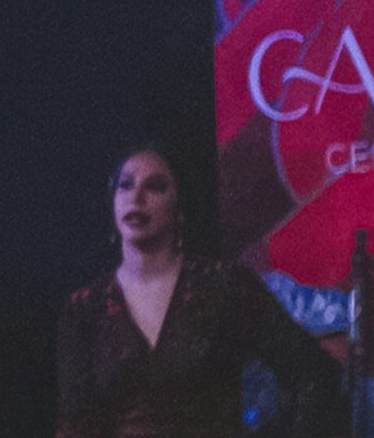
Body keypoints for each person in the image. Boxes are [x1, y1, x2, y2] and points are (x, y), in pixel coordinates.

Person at [56, 147, 346, 438]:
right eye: (125, 185)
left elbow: (313, 372)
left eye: (154, 187)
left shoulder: (224, 286)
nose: (136, 197)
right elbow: (77, 423)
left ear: (179, 207)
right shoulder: (84, 309)